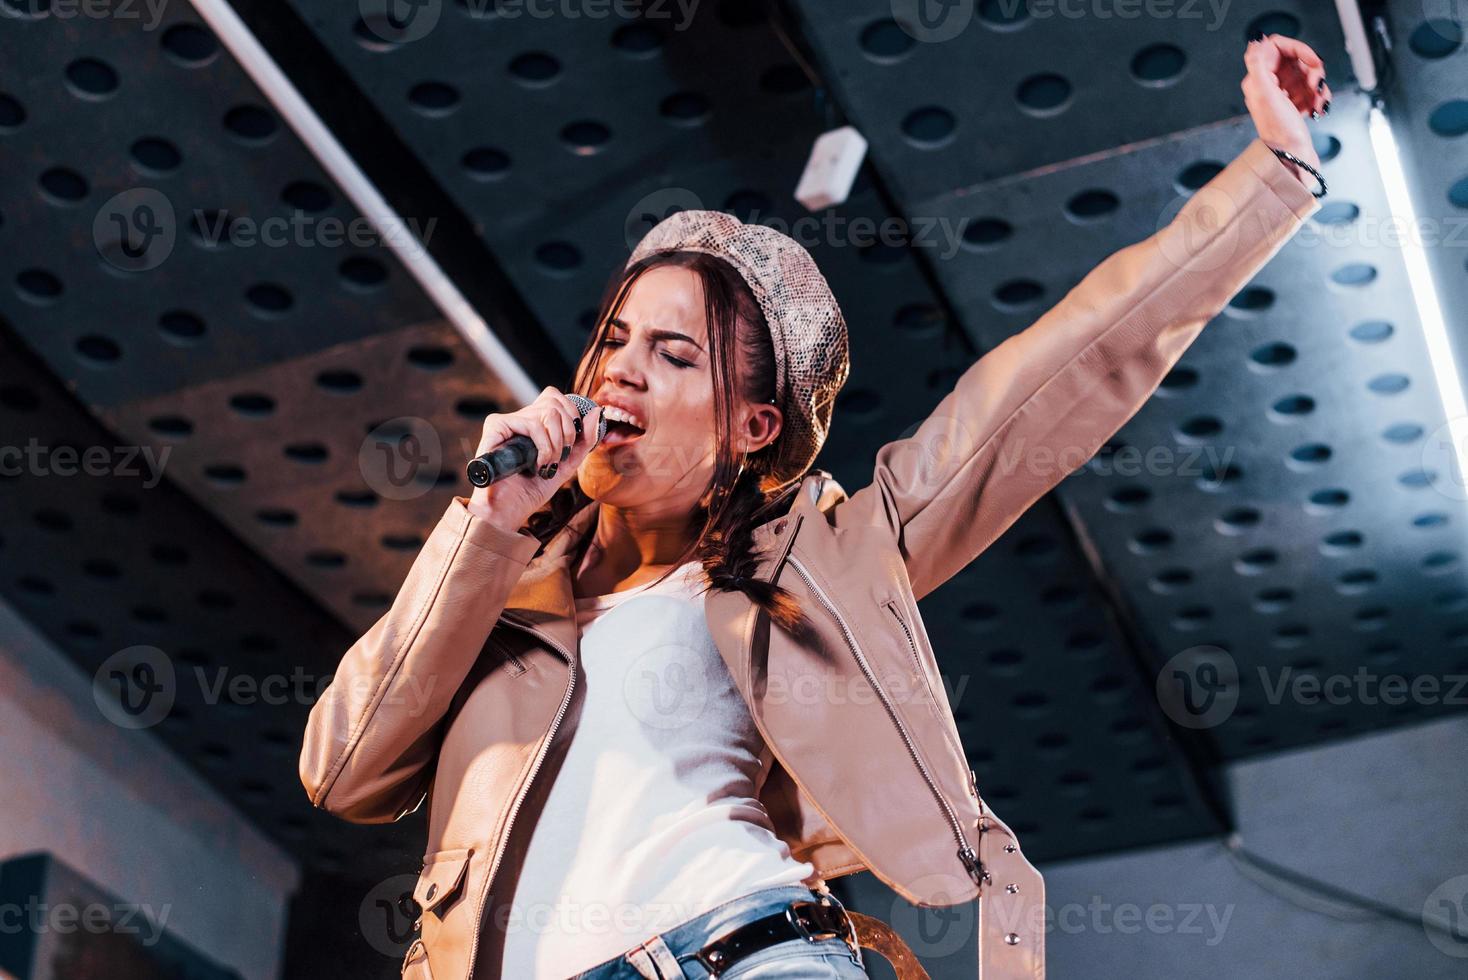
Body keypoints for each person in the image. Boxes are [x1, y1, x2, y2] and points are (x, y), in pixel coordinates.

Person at [300, 34, 1331, 980]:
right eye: (613, 340)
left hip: (742, 952)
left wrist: (1270, 179)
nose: (620, 372)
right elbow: (342, 768)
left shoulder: (816, 554)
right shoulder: (504, 585)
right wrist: (484, 522)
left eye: (672, 353)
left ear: (752, 427)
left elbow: (1042, 394)